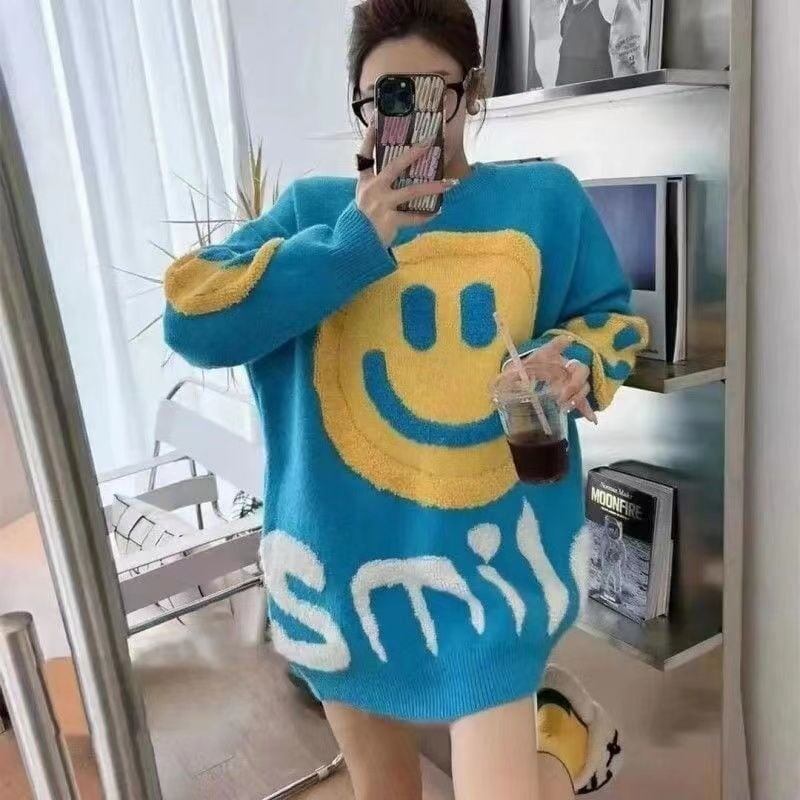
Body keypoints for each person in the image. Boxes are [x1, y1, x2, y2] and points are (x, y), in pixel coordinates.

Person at [163, 1, 647, 797]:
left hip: (494, 580)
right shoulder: (315, 212)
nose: (411, 119)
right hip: (345, 585)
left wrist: (576, 361)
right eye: (385, 98)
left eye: (431, 93)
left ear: (472, 91)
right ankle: (561, 730)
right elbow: (192, 315)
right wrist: (352, 243)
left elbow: (612, 319)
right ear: (360, 104)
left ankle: (558, 742)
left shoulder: (546, 201)